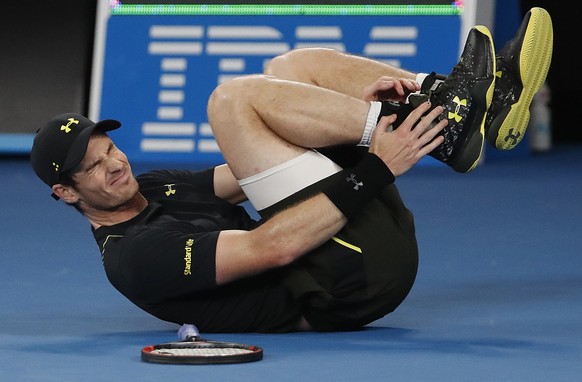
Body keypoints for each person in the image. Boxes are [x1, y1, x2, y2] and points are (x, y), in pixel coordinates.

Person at [30, 8, 552, 333]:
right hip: (344, 284)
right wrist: (377, 165)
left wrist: (336, 113)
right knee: (231, 101)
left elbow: (248, 168)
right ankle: (446, 123)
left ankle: (444, 97)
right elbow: (270, 248)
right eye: (92, 167)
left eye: (109, 148)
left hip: (345, 244)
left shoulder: (149, 187)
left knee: (291, 68)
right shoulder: (134, 257)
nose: (114, 164)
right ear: (65, 192)